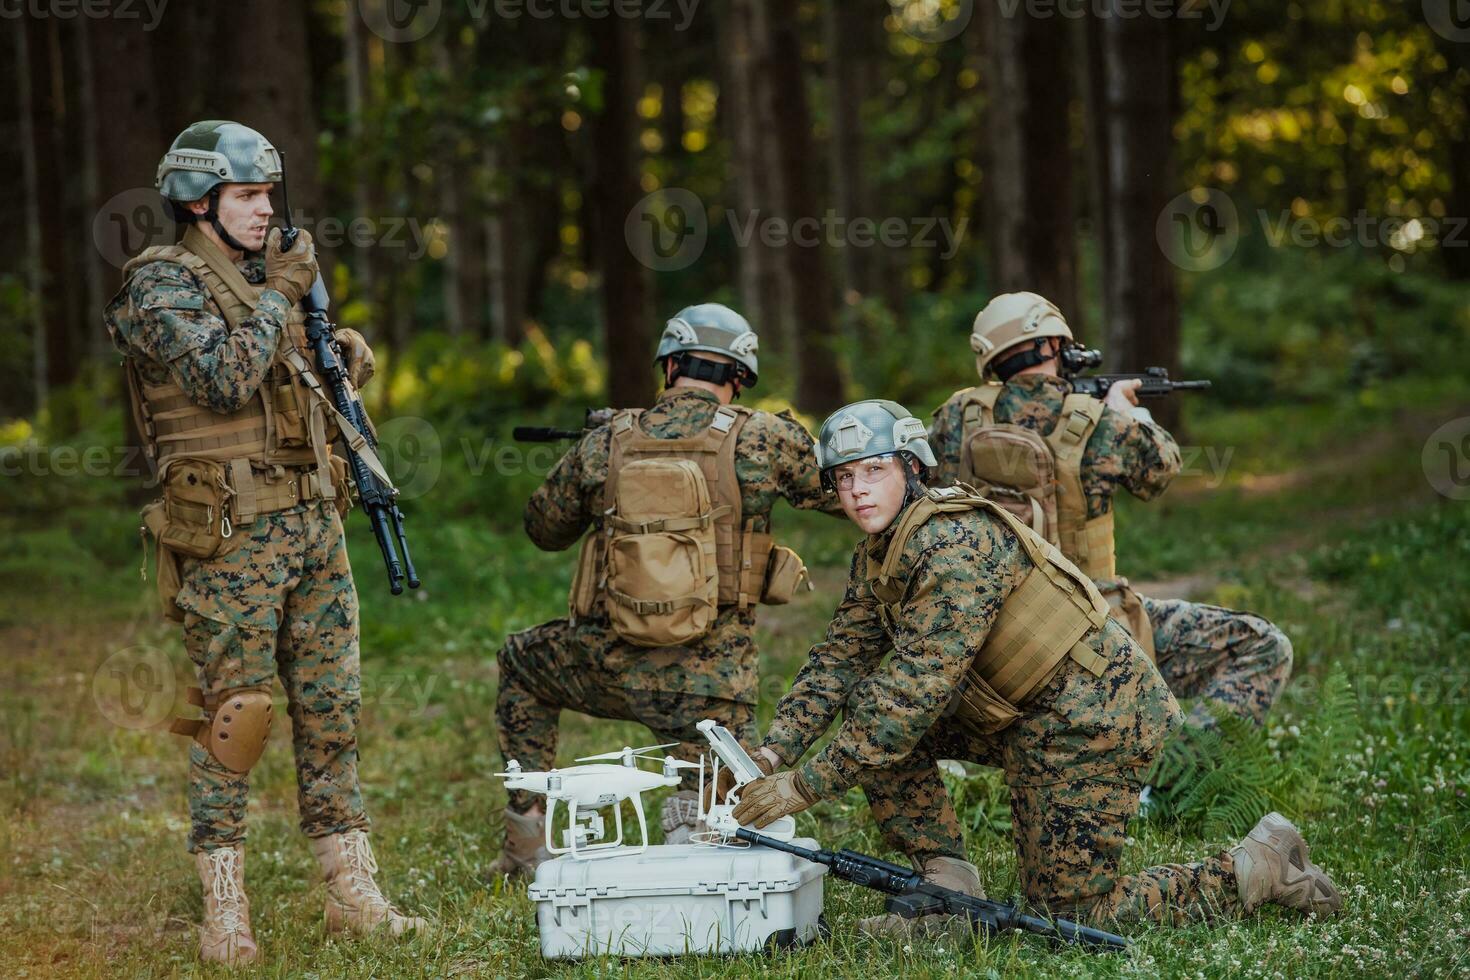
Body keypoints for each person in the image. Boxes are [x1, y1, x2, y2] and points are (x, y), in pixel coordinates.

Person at [732, 399, 1341, 934]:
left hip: (1092, 720)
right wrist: (774, 753)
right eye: (843, 477)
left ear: (912, 469)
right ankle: (949, 894)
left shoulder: (953, 545)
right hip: (1024, 713)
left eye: (874, 469)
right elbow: (840, 658)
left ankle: (1259, 867)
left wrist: (803, 787)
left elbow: (910, 697)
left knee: (1066, 916)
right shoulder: (884, 550)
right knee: (871, 710)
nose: (857, 489)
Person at [105, 120, 424, 965]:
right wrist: (283, 294)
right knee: (236, 720)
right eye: (248, 195)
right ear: (199, 201)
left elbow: (282, 390)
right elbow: (220, 378)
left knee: (332, 715)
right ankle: (225, 909)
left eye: (268, 194)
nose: (266, 210)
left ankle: (352, 892)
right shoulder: (159, 286)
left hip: (315, 526)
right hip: (231, 537)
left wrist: (334, 359)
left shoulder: (263, 284)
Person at [492, 304, 842, 874]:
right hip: (714, 693)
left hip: (606, 667)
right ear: (738, 377)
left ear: (670, 366)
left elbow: (543, 529)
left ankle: (527, 838)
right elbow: (844, 493)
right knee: (734, 812)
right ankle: (700, 814)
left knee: (519, 662)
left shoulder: (608, 440)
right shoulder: (765, 438)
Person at [928, 292, 1293, 731]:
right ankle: (1175, 777)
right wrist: (1131, 413)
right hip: (1094, 637)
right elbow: (1161, 469)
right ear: (1054, 346)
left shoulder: (955, 418)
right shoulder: (1099, 420)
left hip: (988, 645)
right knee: (1263, 645)